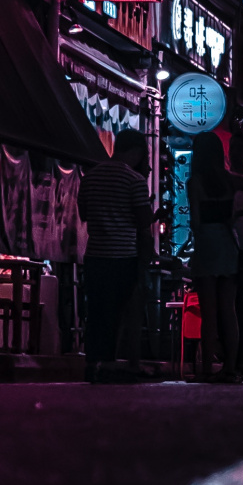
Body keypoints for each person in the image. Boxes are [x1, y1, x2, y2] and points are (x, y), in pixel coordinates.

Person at [78, 129, 154, 382]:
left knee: (97, 310)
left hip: (95, 254)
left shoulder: (90, 177)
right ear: (136, 152)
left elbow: (84, 213)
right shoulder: (134, 181)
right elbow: (143, 221)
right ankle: (109, 364)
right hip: (123, 256)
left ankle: (92, 361)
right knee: (118, 312)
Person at [186, 132, 243, 383]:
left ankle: (208, 367)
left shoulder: (195, 182)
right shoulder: (230, 180)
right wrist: (236, 214)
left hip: (207, 245)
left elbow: (196, 222)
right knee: (228, 311)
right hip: (228, 243)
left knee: (209, 312)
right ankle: (230, 367)